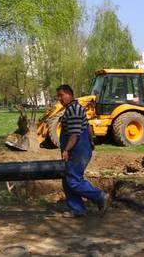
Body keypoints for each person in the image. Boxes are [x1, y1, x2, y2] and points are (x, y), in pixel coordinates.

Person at [56, 84, 109, 218]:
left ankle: (99, 196)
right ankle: (77, 209)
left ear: (69, 94)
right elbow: (88, 127)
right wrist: (91, 141)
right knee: (67, 178)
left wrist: (66, 150)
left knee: (73, 180)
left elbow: (74, 134)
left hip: (77, 150)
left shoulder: (73, 109)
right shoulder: (74, 108)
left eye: (61, 95)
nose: (59, 99)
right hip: (80, 148)